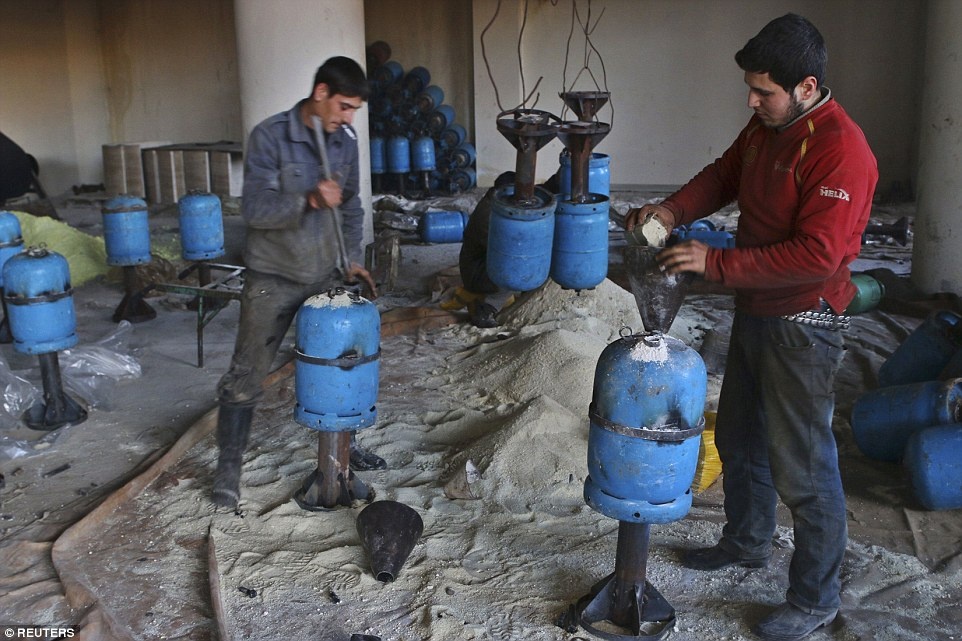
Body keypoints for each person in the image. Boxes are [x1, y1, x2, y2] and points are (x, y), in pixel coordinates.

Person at [625, 14, 877, 641]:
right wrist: (672, 209)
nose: (752, 102)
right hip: (758, 308)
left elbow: (817, 255)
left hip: (804, 323)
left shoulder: (841, 150)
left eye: (764, 92)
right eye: (751, 89)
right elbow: (725, 173)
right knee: (740, 437)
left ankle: (814, 599)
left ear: (807, 87)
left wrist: (715, 264)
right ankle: (745, 542)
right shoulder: (770, 127)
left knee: (804, 468)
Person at [212, 56, 382, 509]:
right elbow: (255, 211)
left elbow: (351, 206)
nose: (349, 119)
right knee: (246, 374)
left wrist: (352, 259)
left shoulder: (344, 142)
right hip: (274, 276)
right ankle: (228, 467)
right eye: (344, 107)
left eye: (354, 111)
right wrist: (308, 199)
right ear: (321, 93)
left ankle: (344, 447)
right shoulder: (271, 136)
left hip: (326, 274)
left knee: (343, 364)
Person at [441, 170, 560, 327]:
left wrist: (560, 176)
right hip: (476, 274)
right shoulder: (488, 215)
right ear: (505, 192)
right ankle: (485, 310)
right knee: (516, 268)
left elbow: (541, 190)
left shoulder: (500, 203)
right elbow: (507, 252)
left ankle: (525, 298)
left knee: (530, 264)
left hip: (484, 263)